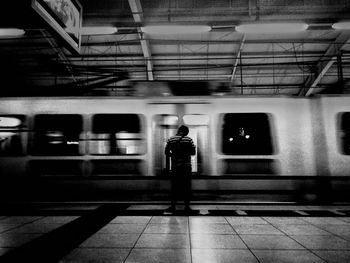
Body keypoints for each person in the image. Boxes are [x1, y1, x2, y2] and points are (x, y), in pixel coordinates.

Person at [165, 125, 196, 212]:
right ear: (186, 132)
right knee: (186, 186)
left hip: (175, 167)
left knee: (174, 187)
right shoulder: (189, 139)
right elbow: (193, 152)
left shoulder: (171, 139)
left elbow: (166, 152)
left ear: (179, 131)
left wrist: (174, 156)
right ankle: (187, 207)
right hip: (186, 167)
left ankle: (173, 206)